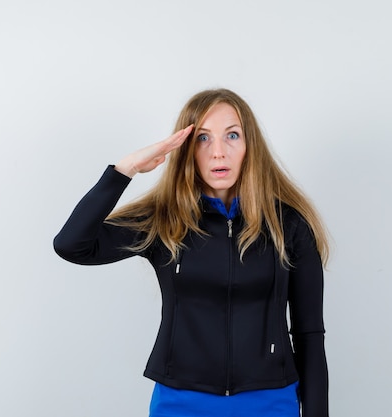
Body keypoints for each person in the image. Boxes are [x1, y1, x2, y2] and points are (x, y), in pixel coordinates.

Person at [53, 88, 330, 417]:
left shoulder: (288, 224)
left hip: (270, 400)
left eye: (232, 135)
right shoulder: (164, 220)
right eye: (202, 138)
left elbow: (309, 333)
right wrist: (124, 170)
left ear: (250, 146)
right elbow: (72, 245)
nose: (218, 153)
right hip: (181, 403)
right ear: (185, 149)